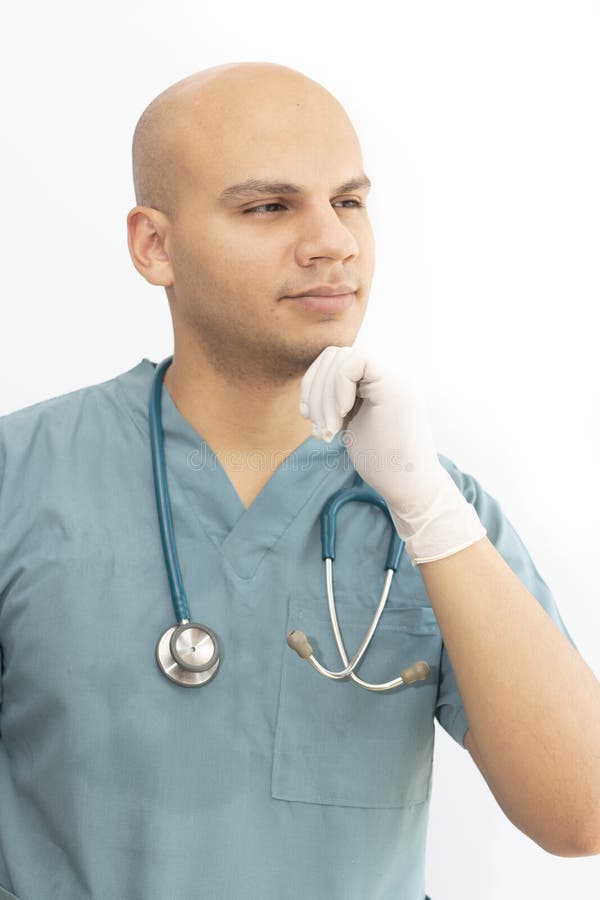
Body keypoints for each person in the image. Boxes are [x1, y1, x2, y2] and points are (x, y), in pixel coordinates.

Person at [0, 61, 598, 900]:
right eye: (270, 206)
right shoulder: (21, 479)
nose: (333, 242)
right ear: (154, 245)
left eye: (349, 201)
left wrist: (427, 508)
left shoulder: (431, 509)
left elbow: (580, 812)